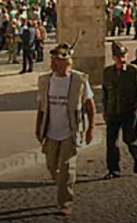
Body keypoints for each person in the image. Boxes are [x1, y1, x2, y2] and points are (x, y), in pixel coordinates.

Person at [35, 43, 96, 216]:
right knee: (52, 166)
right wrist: (37, 127)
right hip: (50, 131)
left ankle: (65, 202)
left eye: (57, 61)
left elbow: (90, 105)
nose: (53, 64)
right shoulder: (45, 81)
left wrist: (91, 128)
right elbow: (41, 106)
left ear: (67, 63)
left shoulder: (79, 80)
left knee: (67, 167)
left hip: (71, 131)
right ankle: (62, 185)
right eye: (52, 60)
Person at [102, 41, 137, 178]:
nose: (121, 59)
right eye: (118, 57)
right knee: (111, 142)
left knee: (129, 139)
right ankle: (113, 169)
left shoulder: (134, 71)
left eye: (123, 56)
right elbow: (105, 93)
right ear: (114, 58)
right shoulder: (107, 72)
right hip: (113, 110)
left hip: (129, 111)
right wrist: (105, 110)